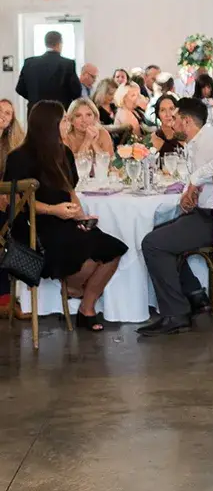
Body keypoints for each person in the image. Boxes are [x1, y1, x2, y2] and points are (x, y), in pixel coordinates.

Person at [3, 101, 127, 331]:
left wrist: (79, 214)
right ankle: (74, 289)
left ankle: (86, 307)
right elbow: (17, 202)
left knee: (114, 249)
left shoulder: (64, 153)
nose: (67, 125)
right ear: (50, 125)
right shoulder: (19, 157)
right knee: (83, 252)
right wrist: (54, 210)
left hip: (64, 221)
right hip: (34, 226)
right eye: (64, 120)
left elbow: (69, 190)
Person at [138, 98, 213, 336]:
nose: (171, 122)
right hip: (211, 215)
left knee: (153, 243)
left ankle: (175, 314)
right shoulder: (199, 141)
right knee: (159, 232)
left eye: (175, 118)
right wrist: (194, 192)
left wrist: (195, 179)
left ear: (187, 121)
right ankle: (195, 295)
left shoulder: (209, 138)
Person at [15, 31, 81, 112]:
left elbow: (20, 89)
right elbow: (76, 92)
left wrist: (33, 98)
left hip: (35, 112)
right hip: (59, 112)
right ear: (60, 44)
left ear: (45, 43)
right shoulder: (68, 64)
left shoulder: (29, 63)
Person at [0, 99, 25, 313]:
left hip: (8, 201)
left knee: (19, 225)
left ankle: (19, 294)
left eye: (8, 113)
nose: (3, 115)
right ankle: (5, 296)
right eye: (0, 110)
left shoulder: (14, 144)